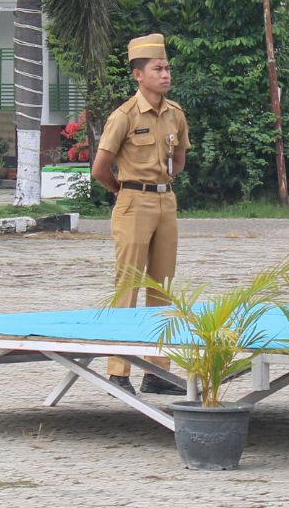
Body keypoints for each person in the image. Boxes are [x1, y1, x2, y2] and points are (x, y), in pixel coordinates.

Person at [91, 33, 190, 395]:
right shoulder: (124, 116)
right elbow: (100, 168)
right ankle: (118, 371)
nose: (165, 75)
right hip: (133, 201)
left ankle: (157, 371)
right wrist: (123, 192)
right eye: (157, 69)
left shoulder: (175, 114)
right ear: (138, 74)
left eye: (167, 68)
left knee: (162, 289)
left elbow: (178, 160)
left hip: (165, 202)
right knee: (129, 287)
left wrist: (161, 181)